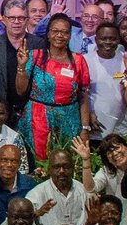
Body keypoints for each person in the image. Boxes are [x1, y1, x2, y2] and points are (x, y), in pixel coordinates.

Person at [15, 13, 93, 163]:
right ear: (48, 34)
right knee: (38, 164)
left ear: (70, 36)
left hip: (69, 120)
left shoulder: (78, 60)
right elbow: (20, 90)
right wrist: (21, 67)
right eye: (55, 31)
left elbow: (83, 96)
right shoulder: (35, 56)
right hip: (37, 119)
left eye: (64, 32)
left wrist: (85, 128)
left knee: (66, 163)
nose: (59, 35)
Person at [25, 144, 91, 225]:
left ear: (73, 168)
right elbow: (20, 221)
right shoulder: (37, 194)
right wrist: (37, 213)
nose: (61, 171)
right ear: (49, 169)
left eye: (66, 167)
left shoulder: (83, 191)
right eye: (56, 167)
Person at [82, 20, 127, 140]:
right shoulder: (85, 61)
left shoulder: (126, 59)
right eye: (103, 38)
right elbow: (81, 93)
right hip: (94, 126)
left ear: (119, 40)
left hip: (121, 127)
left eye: (112, 39)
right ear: (96, 40)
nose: (108, 42)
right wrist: (89, 114)